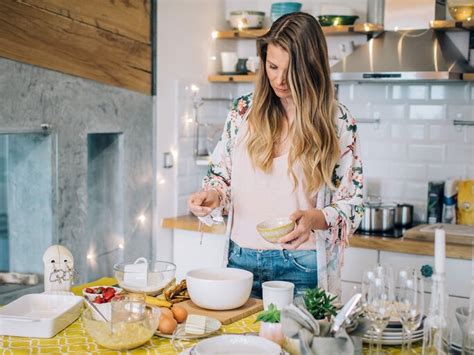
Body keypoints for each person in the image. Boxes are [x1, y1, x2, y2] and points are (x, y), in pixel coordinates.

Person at [188, 12, 364, 298]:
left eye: (291, 70)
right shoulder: (242, 112)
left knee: (300, 345)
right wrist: (213, 197)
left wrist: (315, 218)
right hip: (240, 263)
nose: (279, 80)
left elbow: (352, 205)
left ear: (311, 68)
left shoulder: (337, 121)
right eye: (272, 67)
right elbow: (221, 179)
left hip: (303, 266)